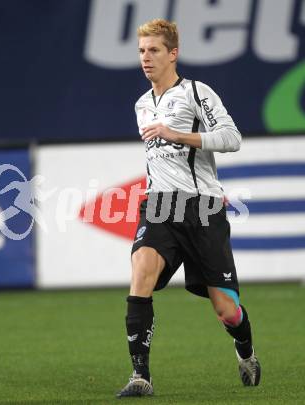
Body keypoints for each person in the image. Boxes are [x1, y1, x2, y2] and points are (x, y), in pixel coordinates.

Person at [116, 19, 261, 398]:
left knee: (226, 310)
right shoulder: (141, 104)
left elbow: (232, 138)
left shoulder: (197, 92)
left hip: (202, 209)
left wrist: (177, 134)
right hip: (160, 206)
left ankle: (244, 348)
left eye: (154, 50)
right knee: (141, 273)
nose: (146, 58)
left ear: (173, 53)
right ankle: (140, 376)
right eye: (142, 51)